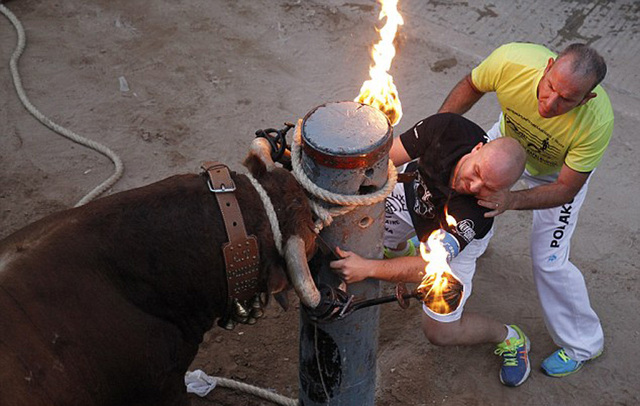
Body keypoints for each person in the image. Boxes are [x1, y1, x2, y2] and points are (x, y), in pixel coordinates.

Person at [437, 42, 614, 378]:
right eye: (550, 88)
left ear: (586, 99)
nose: (550, 103)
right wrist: (440, 126)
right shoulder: (512, 62)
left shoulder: (596, 123)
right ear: (547, 67)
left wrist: (512, 200)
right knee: (460, 187)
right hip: (505, 145)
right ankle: (467, 242)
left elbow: (565, 188)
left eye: (567, 100)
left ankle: (583, 344)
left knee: (549, 261)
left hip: (554, 175)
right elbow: (471, 85)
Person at [330, 112, 530, 387]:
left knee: (440, 332)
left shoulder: (478, 211)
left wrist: (367, 269)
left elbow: (430, 267)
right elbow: (384, 162)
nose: (473, 186)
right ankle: (400, 248)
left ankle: (509, 337)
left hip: (454, 242)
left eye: (488, 188)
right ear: (477, 149)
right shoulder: (447, 128)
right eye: (477, 173)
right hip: (414, 193)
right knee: (362, 227)